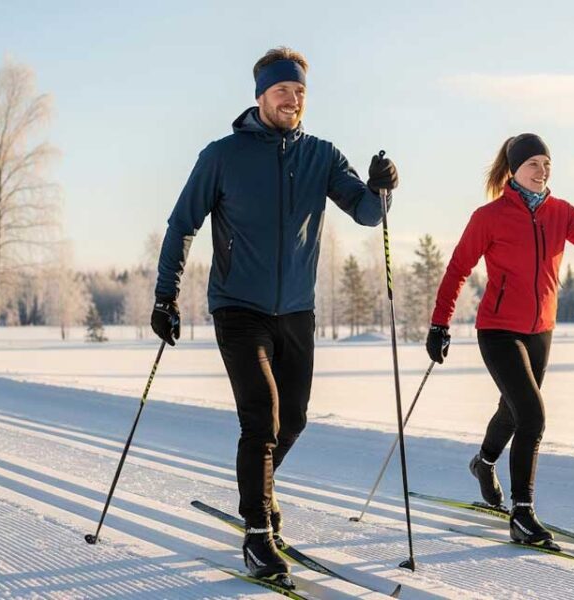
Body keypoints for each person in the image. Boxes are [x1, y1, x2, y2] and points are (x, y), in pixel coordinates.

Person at [150, 47, 399, 582]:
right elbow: (182, 224)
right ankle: (258, 533)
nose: (293, 99)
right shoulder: (222, 155)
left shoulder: (322, 156)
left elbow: (365, 211)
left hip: (296, 311)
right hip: (238, 306)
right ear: (260, 95)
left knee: (295, 419)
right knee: (260, 415)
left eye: (300, 92)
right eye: (283, 90)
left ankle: (257, 493)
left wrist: (383, 186)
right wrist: (165, 296)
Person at [426, 133, 574, 548]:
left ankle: (483, 462)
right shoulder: (489, 216)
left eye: (546, 164)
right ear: (514, 170)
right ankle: (521, 514)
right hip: (498, 329)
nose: (542, 171)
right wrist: (439, 324)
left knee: (513, 409)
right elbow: (457, 269)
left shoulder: (561, 212)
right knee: (533, 416)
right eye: (533, 164)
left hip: (541, 330)